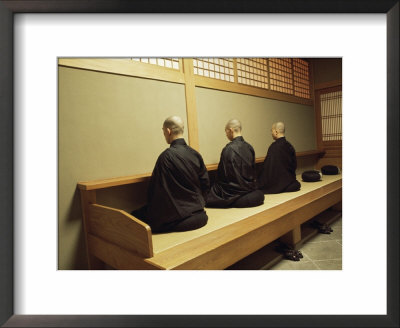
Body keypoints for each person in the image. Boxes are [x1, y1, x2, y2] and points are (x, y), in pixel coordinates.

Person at [131, 116, 210, 233]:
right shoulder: (195, 154)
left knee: (135, 216)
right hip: (199, 213)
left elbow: (155, 192)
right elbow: (205, 183)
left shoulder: (165, 157)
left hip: (179, 216)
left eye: (163, 132)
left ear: (168, 131)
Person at [206, 119, 264, 208]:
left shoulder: (228, 149)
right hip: (249, 187)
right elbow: (253, 171)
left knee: (209, 195)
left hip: (232, 191)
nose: (226, 135)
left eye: (226, 132)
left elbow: (223, 175)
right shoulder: (249, 147)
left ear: (231, 130)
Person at [258, 122, 301, 194]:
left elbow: (267, 168)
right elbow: (294, 165)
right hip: (289, 181)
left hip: (277, 183)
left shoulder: (274, 147)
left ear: (276, 132)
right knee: (296, 185)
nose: (271, 133)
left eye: (271, 130)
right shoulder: (289, 146)